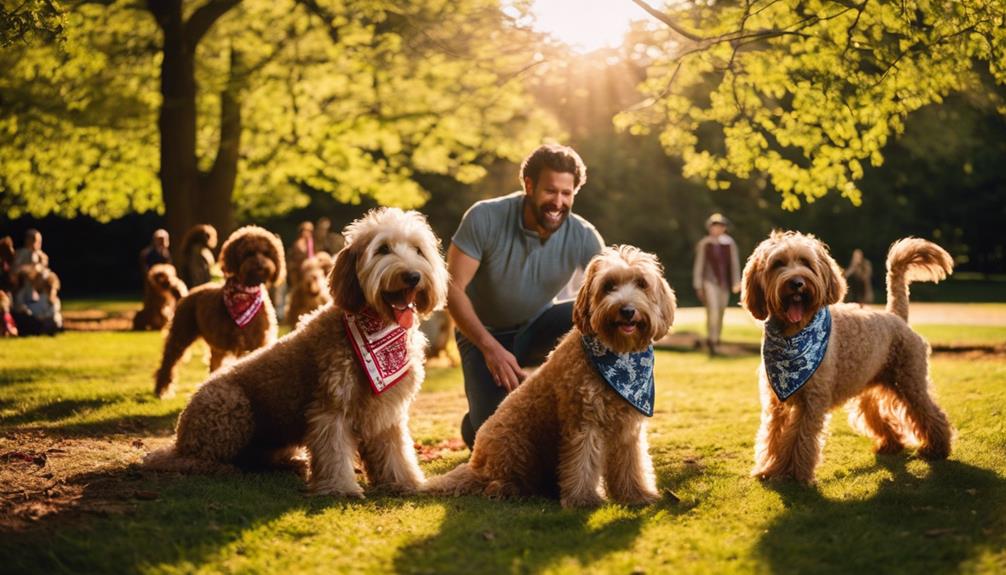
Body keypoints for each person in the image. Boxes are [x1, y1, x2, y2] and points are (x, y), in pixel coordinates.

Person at [448, 143, 604, 449]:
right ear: (529, 185)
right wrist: (490, 348)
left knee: (599, 314)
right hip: (483, 336)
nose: (558, 202)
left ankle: (589, 410)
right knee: (492, 434)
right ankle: (474, 422)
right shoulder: (485, 217)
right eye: (550, 191)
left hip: (538, 325)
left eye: (566, 193)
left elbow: (613, 288)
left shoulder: (584, 235)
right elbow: (452, 288)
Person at [692, 213, 740, 356]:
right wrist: (698, 285)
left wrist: (736, 281)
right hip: (709, 281)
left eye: (720, 226)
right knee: (712, 310)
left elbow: (734, 263)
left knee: (720, 311)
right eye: (714, 226)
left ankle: (717, 338)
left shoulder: (729, 244)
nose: (717, 229)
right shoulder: (705, 244)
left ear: (724, 228)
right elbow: (699, 264)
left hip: (723, 283)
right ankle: (712, 341)